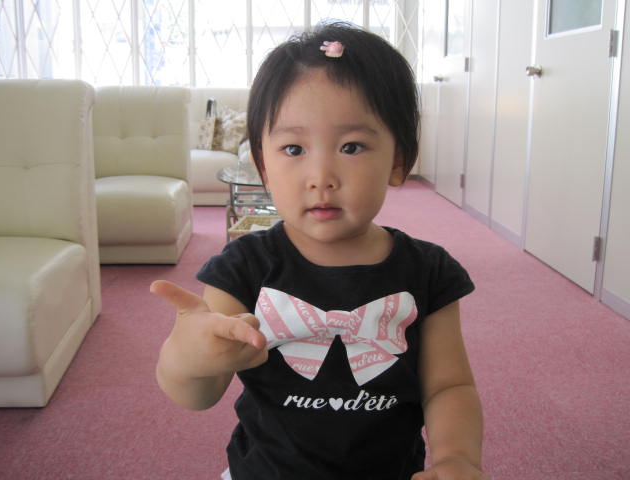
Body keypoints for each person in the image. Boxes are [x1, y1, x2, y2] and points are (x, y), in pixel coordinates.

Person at [151, 22, 487, 480]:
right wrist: (185, 358)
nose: (321, 176)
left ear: (398, 161)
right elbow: (198, 395)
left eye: (351, 146)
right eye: (294, 148)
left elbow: (449, 386)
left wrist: (456, 459)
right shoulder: (243, 268)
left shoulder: (429, 272)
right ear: (263, 167)